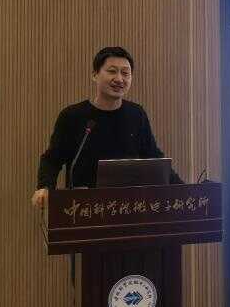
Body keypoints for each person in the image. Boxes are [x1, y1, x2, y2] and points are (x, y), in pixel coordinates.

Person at [32, 46, 181, 210]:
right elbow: (52, 160)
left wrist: (184, 189)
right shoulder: (72, 116)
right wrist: (44, 187)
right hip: (84, 209)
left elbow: (155, 159)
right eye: (112, 71)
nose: (119, 79)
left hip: (129, 208)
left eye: (125, 73)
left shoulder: (136, 115)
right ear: (95, 75)